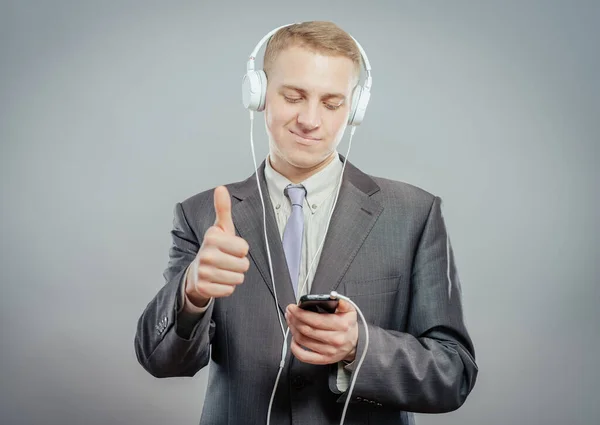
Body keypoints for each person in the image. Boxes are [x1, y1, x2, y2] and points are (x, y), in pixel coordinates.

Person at [134, 21, 478, 425]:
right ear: (259, 94)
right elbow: (160, 361)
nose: (310, 120)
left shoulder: (414, 214)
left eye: (332, 103)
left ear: (354, 109)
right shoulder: (201, 215)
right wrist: (191, 293)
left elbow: (453, 374)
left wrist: (358, 346)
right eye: (294, 96)